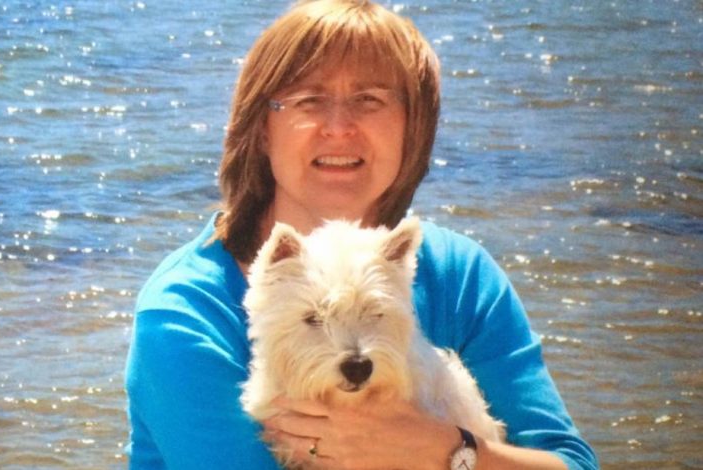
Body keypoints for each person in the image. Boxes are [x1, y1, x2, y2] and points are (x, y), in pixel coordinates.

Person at [124, 1, 599, 469]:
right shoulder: (184, 314)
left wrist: (445, 451)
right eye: (309, 100)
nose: (339, 128)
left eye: (369, 100)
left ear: (413, 128)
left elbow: (572, 463)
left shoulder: (458, 273)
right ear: (262, 129)